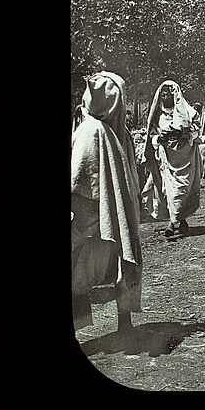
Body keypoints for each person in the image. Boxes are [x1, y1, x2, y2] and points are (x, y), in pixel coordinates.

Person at [71, 71, 142, 333]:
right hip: (91, 216)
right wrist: (87, 222)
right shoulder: (91, 131)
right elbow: (80, 181)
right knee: (80, 271)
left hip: (112, 213)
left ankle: (125, 322)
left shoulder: (115, 130)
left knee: (123, 263)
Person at [142, 80, 202, 237]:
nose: (166, 97)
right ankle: (174, 222)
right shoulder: (158, 116)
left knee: (182, 189)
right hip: (166, 158)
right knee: (168, 189)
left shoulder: (189, 113)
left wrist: (185, 134)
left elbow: (196, 132)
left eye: (169, 94)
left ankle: (177, 220)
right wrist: (159, 138)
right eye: (163, 95)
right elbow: (152, 134)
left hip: (185, 157)